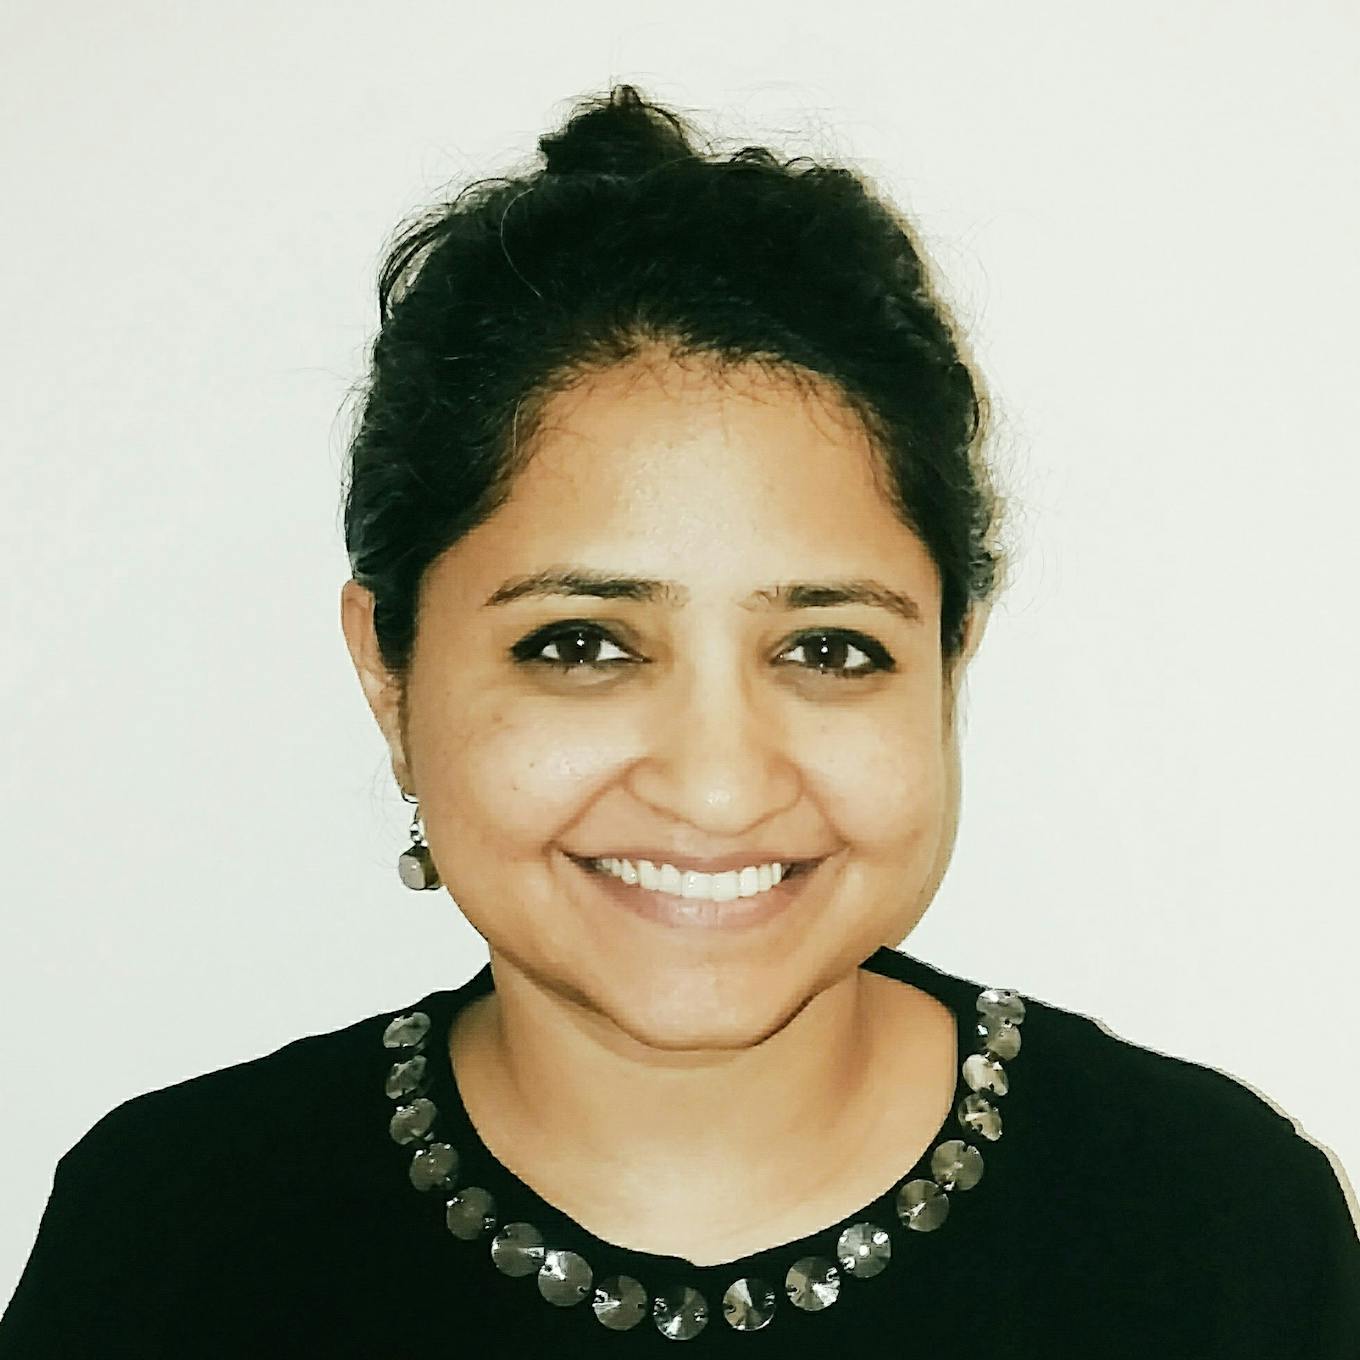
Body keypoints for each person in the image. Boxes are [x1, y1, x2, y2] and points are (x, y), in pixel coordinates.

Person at [2, 83, 1356, 1357]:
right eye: (581, 645)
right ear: (390, 678)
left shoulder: (1216, 1229)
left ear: (947, 671)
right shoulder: (173, 1244)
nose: (718, 786)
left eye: (828, 648)